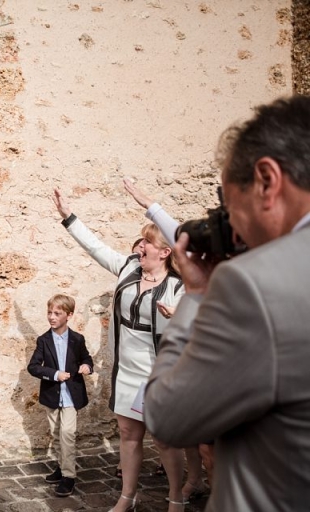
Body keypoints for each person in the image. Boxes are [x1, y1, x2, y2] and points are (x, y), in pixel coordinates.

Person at [144, 95, 310, 511]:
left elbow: (168, 418)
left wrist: (197, 296)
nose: (234, 227)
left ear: (268, 181)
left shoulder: (255, 285)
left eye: (232, 209)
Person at [52, 189, 186, 512]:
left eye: (147, 243)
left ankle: (176, 498)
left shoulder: (180, 287)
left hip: (160, 374)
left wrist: (178, 317)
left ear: (165, 251)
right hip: (126, 369)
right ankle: (127, 496)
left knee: (165, 440)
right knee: (128, 434)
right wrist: (68, 217)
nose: (141, 247)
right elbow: (96, 247)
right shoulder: (128, 268)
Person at [123, 178, 210, 501]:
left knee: (207, 444)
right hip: (184, 366)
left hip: (204, 366)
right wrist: (149, 204)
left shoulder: (190, 280)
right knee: (197, 441)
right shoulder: (190, 276)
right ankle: (197, 481)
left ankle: (205, 485)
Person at [27, 293, 93, 498]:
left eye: (57, 313)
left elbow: (87, 358)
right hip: (52, 395)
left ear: (69, 315)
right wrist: (54, 374)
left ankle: (69, 476)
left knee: (67, 433)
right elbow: (33, 367)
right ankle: (60, 466)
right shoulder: (43, 340)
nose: (52, 317)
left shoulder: (77, 339)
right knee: (56, 434)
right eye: (50, 312)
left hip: (72, 395)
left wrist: (87, 366)